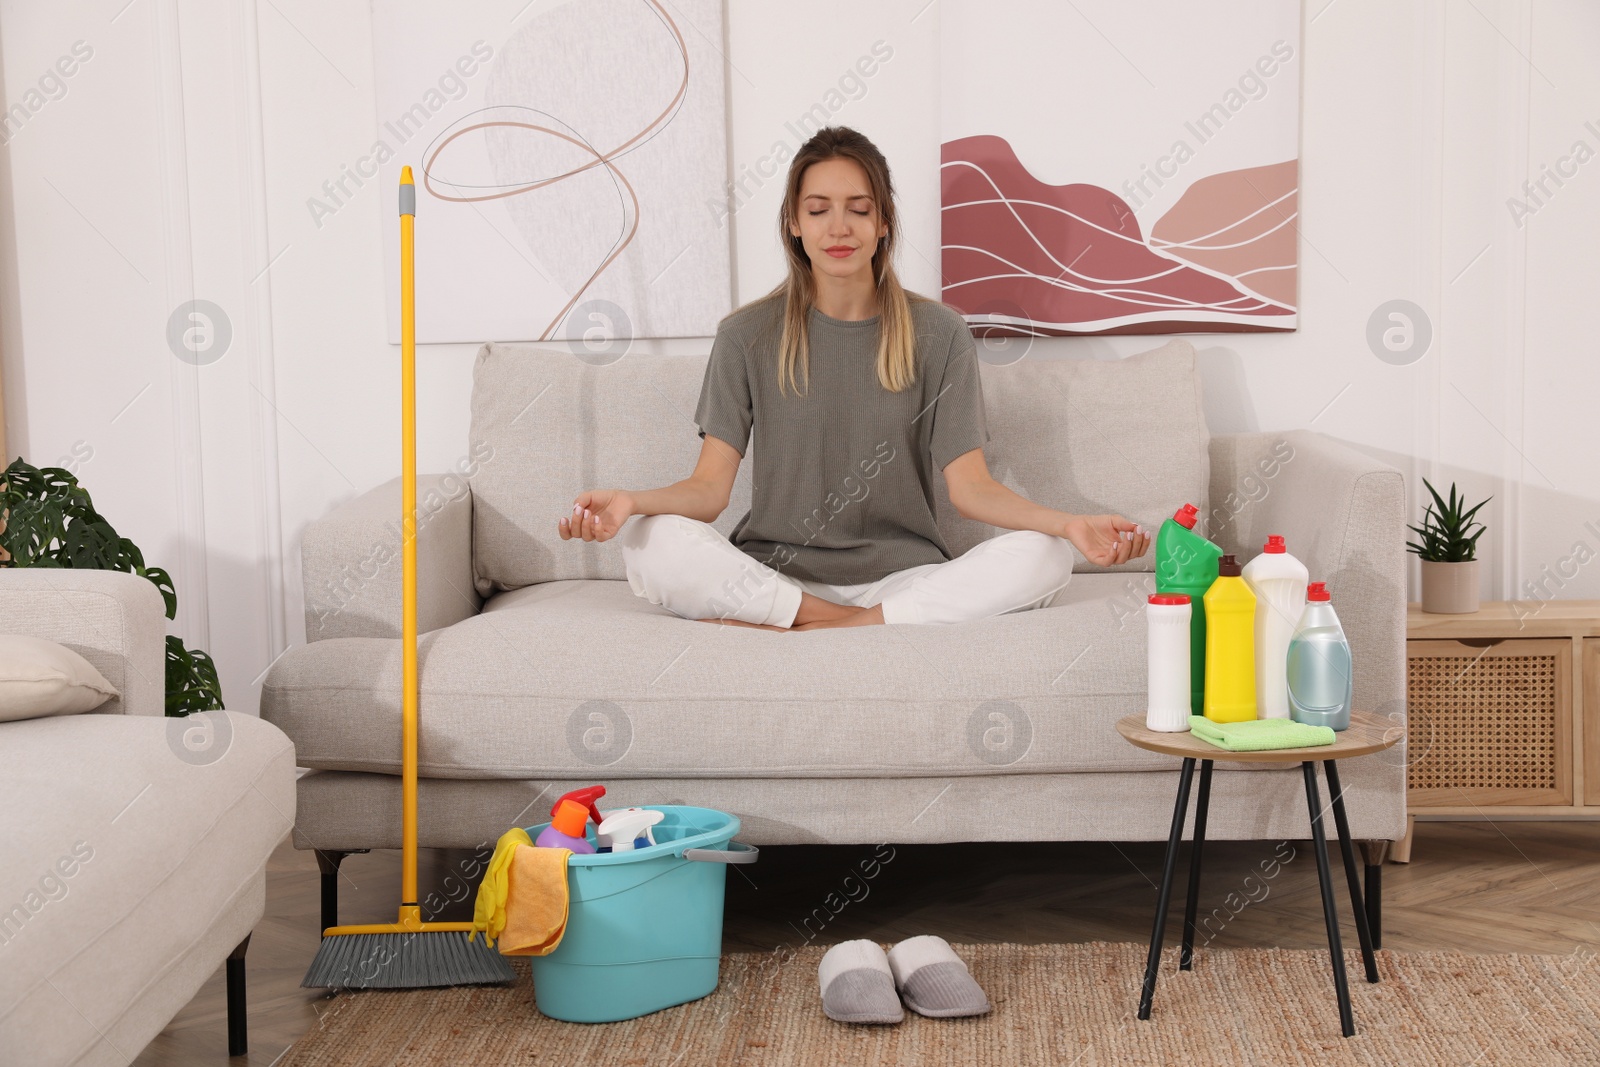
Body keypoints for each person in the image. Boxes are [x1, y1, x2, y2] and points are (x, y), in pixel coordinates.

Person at [557, 125, 1150, 630]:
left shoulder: (939, 333)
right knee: (648, 539)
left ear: (884, 221)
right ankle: (823, 616)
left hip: (900, 580)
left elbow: (972, 490)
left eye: (859, 209)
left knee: (1046, 557)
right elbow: (708, 491)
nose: (838, 227)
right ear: (793, 222)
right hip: (772, 572)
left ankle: (817, 625)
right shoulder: (746, 336)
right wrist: (632, 501)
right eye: (818, 209)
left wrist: (1069, 524)